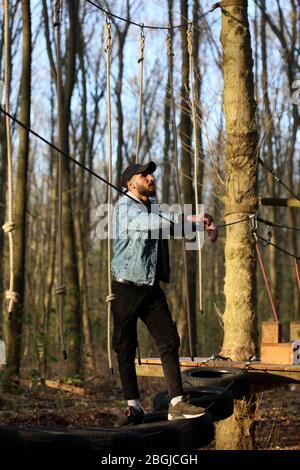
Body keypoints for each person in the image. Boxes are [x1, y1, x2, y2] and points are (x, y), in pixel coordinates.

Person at [111, 161, 218, 426]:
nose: (150, 178)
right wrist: (190, 217)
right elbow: (148, 224)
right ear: (130, 183)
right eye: (144, 175)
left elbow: (169, 226)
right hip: (125, 286)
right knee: (125, 346)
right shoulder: (124, 207)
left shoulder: (153, 205)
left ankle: (176, 403)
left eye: (151, 174)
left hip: (150, 286)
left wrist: (198, 223)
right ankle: (133, 406)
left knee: (169, 340)